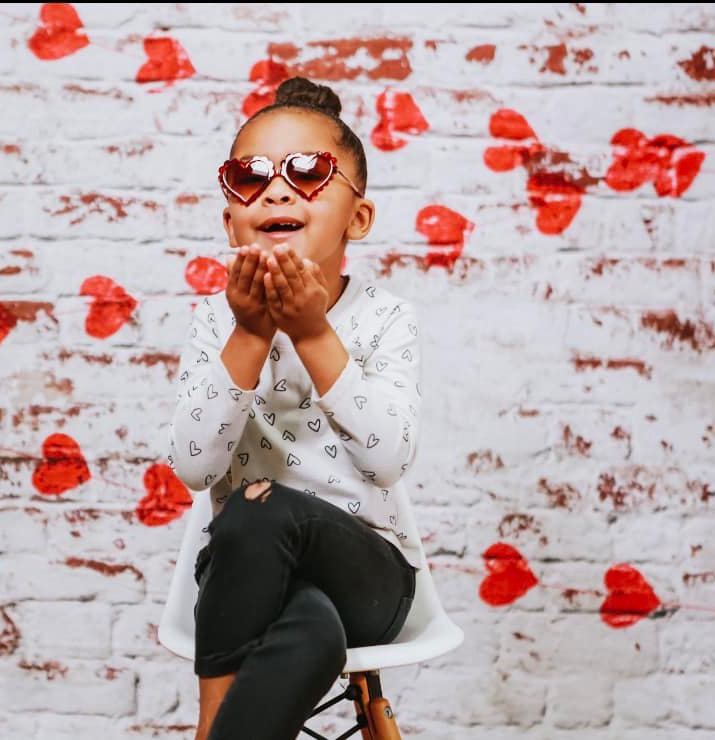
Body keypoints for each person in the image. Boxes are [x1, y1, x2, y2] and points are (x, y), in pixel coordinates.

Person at [166, 76, 424, 740]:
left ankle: (207, 728)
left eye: (307, 172)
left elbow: (389, 459)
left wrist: (311, 334)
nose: (276, 190)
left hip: (367, 575)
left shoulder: (387, 318)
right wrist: (250, 334)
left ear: (357, 218)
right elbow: (194, 468)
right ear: (231, 220)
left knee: (263, 499)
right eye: (248, 177)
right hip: (243, 579)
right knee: (310, 639)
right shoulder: (213, 323)